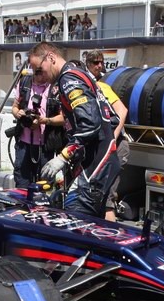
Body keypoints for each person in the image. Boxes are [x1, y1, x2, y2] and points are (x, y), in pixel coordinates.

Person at [27, 43, 118, 218]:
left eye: (39, 69)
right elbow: (111, 118)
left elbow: (90, 123)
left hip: (93, 170)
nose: (40, 76)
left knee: (74, 230)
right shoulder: (81, 74)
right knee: (93, 229)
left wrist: (64, 156)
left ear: (51, 58)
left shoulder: (69, 79)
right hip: (99, 164)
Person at [83, 51, 129, 220]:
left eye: (101, 62)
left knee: (107, 197)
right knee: (97, 196)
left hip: (116, 147)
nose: (99, 66)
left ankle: (110, 240)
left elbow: (122, 111)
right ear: (87, 64)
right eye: (95, 62)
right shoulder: (87, 88)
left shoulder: (102, 88)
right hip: (103, 149)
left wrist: (113, 139)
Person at [9, 67, 62, 187]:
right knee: (22, 182)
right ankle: (22, 205)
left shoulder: (56, 87)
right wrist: (18, 113)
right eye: (36, 71)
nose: (38, 75)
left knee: (44, 184)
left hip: (45, 146)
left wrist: (44, 121)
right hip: (23, 143)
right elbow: (15, 107)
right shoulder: (24, 82)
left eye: (41, 71)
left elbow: (64, 118)